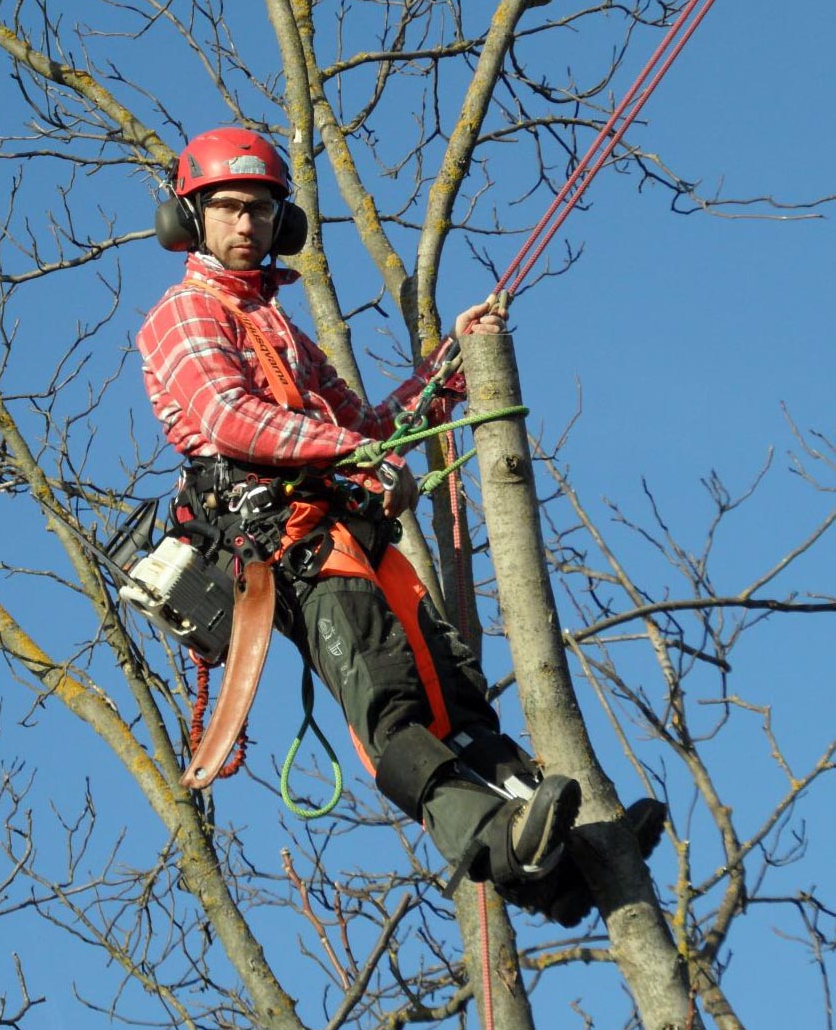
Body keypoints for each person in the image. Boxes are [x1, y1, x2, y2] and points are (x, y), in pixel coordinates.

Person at [137, 127, 661, 920]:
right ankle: (489, 831)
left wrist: (453, 364)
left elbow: (372, 429)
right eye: (231, 208)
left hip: (351, 533)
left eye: (262, 210)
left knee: (455, 693)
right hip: (287, 544)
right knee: (388, 700)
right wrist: (352, 449)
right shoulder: (185, 313)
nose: (246, 225)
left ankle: (562, 865)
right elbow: (230, 418)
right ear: (193, 216)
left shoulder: (285, 333)